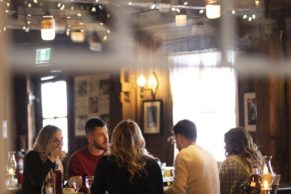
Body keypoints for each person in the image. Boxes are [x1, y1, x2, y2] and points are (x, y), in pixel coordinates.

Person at [90, 119, 164, 194]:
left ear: (116, 140)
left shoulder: (106, 162)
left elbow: (96, 192)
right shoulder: (153, 164)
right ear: (139, 140)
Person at [164, 119, 220, 194]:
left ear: (180, 137)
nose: (176, 146)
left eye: (175, 140)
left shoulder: (184, 154)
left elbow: (177, 191)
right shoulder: (210, 154)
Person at [22, 125, 66, 194]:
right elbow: (37, 182)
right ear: (45, 141)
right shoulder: (32, 156)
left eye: (61, 140)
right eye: (55, 141)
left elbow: (59, 184)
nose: (60, 144)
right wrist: (52, 158)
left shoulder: (57, 160)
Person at [219, 127, 263, 194]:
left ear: (231, 145)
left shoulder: (229, 163)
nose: (225, 148)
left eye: (226, 144)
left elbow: (221, 190)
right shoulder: (257, 161)